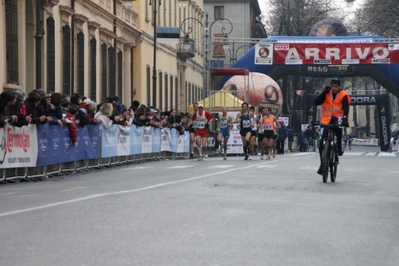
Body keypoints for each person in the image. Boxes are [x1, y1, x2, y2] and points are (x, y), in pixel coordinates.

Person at [314, 77, 350, 175]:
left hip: (338, 118)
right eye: (332, 86)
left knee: (338, 132)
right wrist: (323, 93)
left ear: (339, 87)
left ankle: (338, 148)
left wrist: (345, 118)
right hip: (326, 119)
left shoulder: (343, 95)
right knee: (321, 141)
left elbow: (346, 107)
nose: (334, 88)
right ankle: (322, 164)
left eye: (336, 86)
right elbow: (316, 102)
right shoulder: (327, 93)